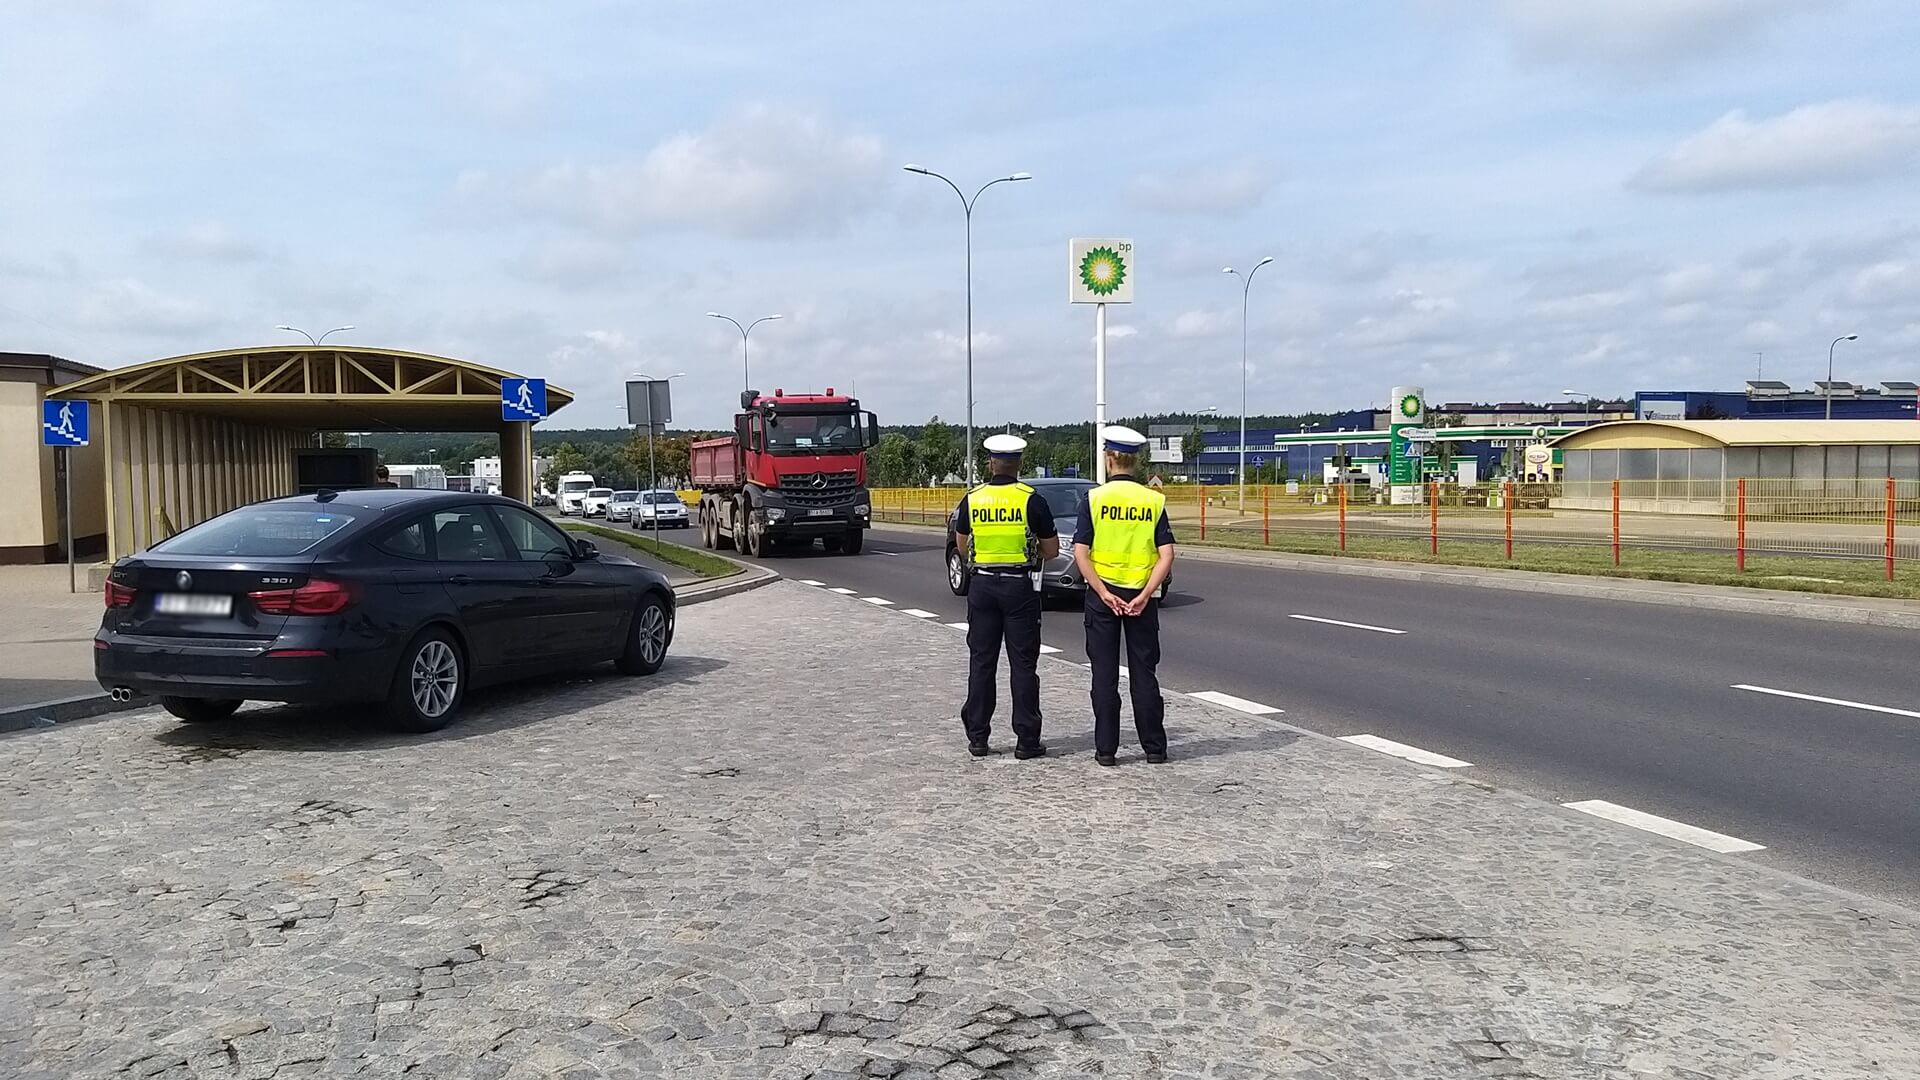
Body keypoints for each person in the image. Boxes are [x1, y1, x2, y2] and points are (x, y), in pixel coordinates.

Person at [1073, 425, 1176, 767]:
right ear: (1134, 460)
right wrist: (1147, 593)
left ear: (1109, 458)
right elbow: (1167, 555)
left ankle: (1106, 750)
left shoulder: (1094, 499)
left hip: (1103, 597)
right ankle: (1155, 748)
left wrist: (1102, 591)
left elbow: (1081, 553)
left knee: (1104, 675)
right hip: (1140, 598)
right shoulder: (1153, 500)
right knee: (1144, 673)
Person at [953, 434, 1058, 760]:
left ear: (990, 462)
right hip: (1019, 586)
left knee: (982, 662)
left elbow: (961, 544)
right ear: (1019, 464)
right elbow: (1052, 549)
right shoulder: (1031, 499)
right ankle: (1027, 740)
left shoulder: (973, 498)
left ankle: (978, 738)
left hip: (982, 586)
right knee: (1023, 665)